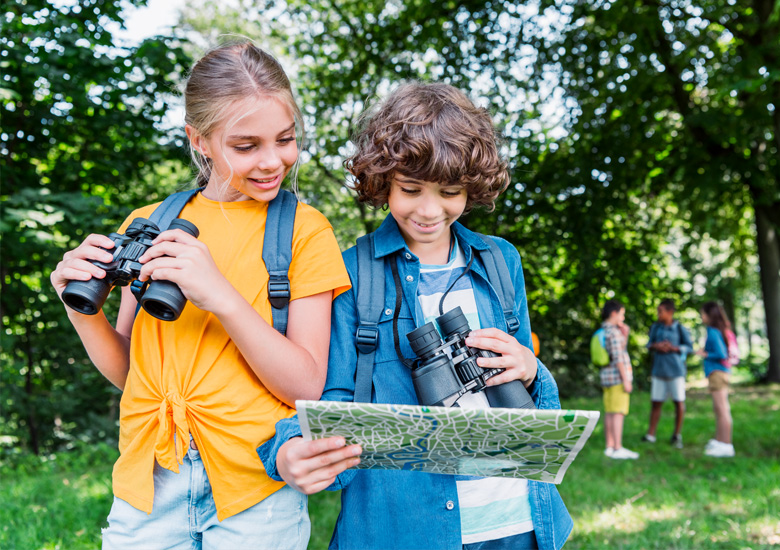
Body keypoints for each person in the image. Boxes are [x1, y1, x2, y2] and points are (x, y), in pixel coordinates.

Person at [49, 41, 351, 549]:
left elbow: (306, 385)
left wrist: (223, 297)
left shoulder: (305, 230)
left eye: (285, 139)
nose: (272, 161)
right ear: (200, 139)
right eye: (246, 145)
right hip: (150, 478)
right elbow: (131, 372)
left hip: (255, 485)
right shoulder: (152, 225)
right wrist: (80, 312)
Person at [258, 82, 572, 550]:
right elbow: (324, 396)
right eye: (410, 189)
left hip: (517, 523)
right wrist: (288, 451)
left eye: (450, 192)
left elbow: (529, 393)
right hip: (401, 528)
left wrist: (530, 369)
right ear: (382, 180)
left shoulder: (501, 261)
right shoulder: (349, 273)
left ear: (472, 187)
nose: (429, 210)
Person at [641, 298, 692, 449]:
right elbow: (648, 344)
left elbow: (689, 347)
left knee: (678, 402)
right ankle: (651, 434)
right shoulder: (656, 327)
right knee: (656, 402)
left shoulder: (680, 328)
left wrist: (673, 348)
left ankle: (677, 435)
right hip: (659, 370)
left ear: (670, 312)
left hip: (676, 371)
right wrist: (657, 346)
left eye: (661, 311)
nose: (658, 314)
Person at [599, 299, 638, 460]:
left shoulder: (604, 330)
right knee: (618, 413)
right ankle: (617, 447)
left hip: (606, 378)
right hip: (617, 379)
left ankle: (609, 446)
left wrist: (625, 335)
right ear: (614, 313)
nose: (623, 318)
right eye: (622, 314)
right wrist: (626, 380)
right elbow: (619, 358)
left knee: (609, 411)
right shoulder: (614, 332)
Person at [696, 301, 735, 458]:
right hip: (718, 373)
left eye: (703, 314)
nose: (701, 317)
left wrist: (705, 354)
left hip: (717, 372)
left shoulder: (712, 331)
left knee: (722, 409)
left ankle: (726, 444)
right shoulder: (717, 330)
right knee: (718, 409)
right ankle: (720, 441)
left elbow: (721, 353)